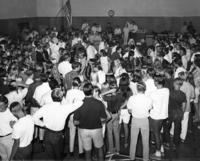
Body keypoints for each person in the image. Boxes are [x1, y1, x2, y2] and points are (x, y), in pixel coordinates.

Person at [33, 88, 83, 160]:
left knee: (49, 157)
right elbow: (80, 103)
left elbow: (34, 118)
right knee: (58, 157)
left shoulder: (45, 107)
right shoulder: (65, 108)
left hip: (47, 134)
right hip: (58, 136)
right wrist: (75, 100)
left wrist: (43, 125)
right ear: (62, 98)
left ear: (51, 96)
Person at [74, 83, 107, 161]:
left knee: (87, 152)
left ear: (83, 91)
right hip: (96, 130)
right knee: (99, 149)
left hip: (84, 130)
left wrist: (83, 121)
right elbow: (103, 119)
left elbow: (75, 122)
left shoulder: (79, 104)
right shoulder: (99, 103)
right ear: (92, 91)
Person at [127, 82, 152, 161]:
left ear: (137, 89)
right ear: (144, 89)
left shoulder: (132, 98)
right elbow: (149, 108)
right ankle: (145, 158)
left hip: (135, 120)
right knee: (145, 141)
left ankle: (132, 157)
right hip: (145, 120)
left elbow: (130, 111)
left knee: (133, 140)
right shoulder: (148, 99)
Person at [149, 75, 169, 159]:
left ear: (156, 82)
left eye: (154, 81)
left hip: (155, 116)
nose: (154, 82)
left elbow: (150, 106)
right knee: (159, 132)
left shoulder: (154, 93)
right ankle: (161, 148)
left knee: (156, 134)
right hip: (163, 115)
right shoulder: (167, 90)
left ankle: (158, 153)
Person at [163, 78, 186, 147]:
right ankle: (176, 143)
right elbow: (184, 105)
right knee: (177, 128)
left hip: (170, 112)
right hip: (179, 112)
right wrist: (182, 113)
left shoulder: (170, 92)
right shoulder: (183, 94)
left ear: (175, 84)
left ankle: (166, 142)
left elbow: (167, 103)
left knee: (167, 128)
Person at [0, 95, 17, 161]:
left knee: (11, 157)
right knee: (3, 157)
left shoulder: (11, 112)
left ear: (6, 104)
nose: (0, 107)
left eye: (1, 105)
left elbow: (18, 122)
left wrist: (14, 123)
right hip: (0, 139)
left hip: (9, 138)